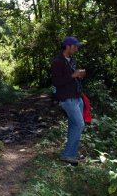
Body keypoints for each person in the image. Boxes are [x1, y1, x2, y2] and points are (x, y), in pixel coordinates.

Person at [51, 36, 86, 165]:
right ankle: (67, 154)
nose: (77, 49)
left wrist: (80, 76)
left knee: (73, 125)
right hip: (67, 99)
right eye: (75, 46)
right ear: (68, 46)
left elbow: (72, 78)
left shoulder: (71, 60)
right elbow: (56, 82)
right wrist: (73, 75)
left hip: (77, 98)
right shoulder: (57, 62)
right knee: (79, 124)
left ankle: (72, 152)